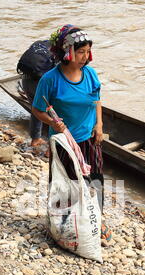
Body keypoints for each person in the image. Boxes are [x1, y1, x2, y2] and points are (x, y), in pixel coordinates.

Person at [31, 24, 111, 241]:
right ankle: (64, 223)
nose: (85, 57)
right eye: (80, 52)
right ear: (68, 52)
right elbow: (37, 109)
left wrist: (99, 126)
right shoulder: (51, 79)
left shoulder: (90, 74)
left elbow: (96, 101)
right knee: (65, 182)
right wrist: (52, 123)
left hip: (89, 138)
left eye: (87, 52)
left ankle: (97, 219)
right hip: (63, 142)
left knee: (95, 180)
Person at [17, 40, 55, 147]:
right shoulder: (61, 51)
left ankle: (35, 139)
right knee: (56, 114)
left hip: (26, 81)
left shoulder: (39, 44)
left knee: (36, 109)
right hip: (40, 84)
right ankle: (51, 148)